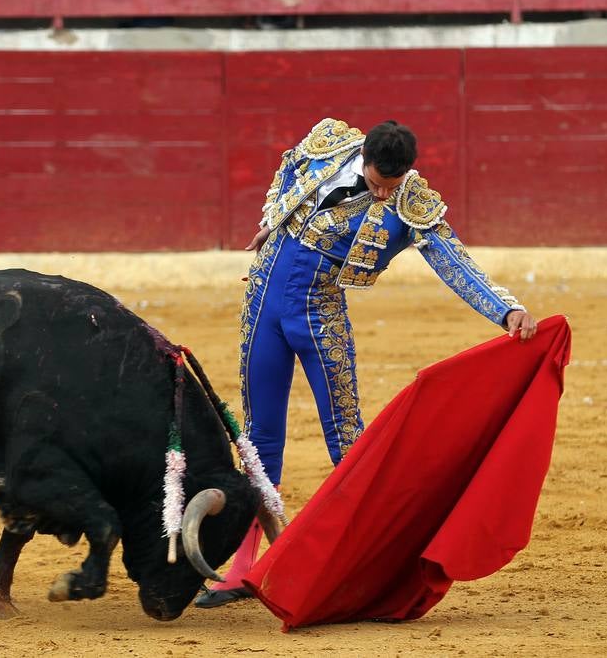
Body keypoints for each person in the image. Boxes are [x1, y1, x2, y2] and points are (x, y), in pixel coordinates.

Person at [194, 117, 537, 609]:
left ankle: (364, 562)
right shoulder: (329, 143)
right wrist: (273, 216)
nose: (382, 196)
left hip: (319, 314)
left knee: (347, 440)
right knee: (259, 438)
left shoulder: (410, 200)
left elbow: (452, 259)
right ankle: (244, 570)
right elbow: (288, 166)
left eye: (391, 187)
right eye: (377, 184)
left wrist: (504, 308)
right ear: (364, 160)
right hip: (263, 303)